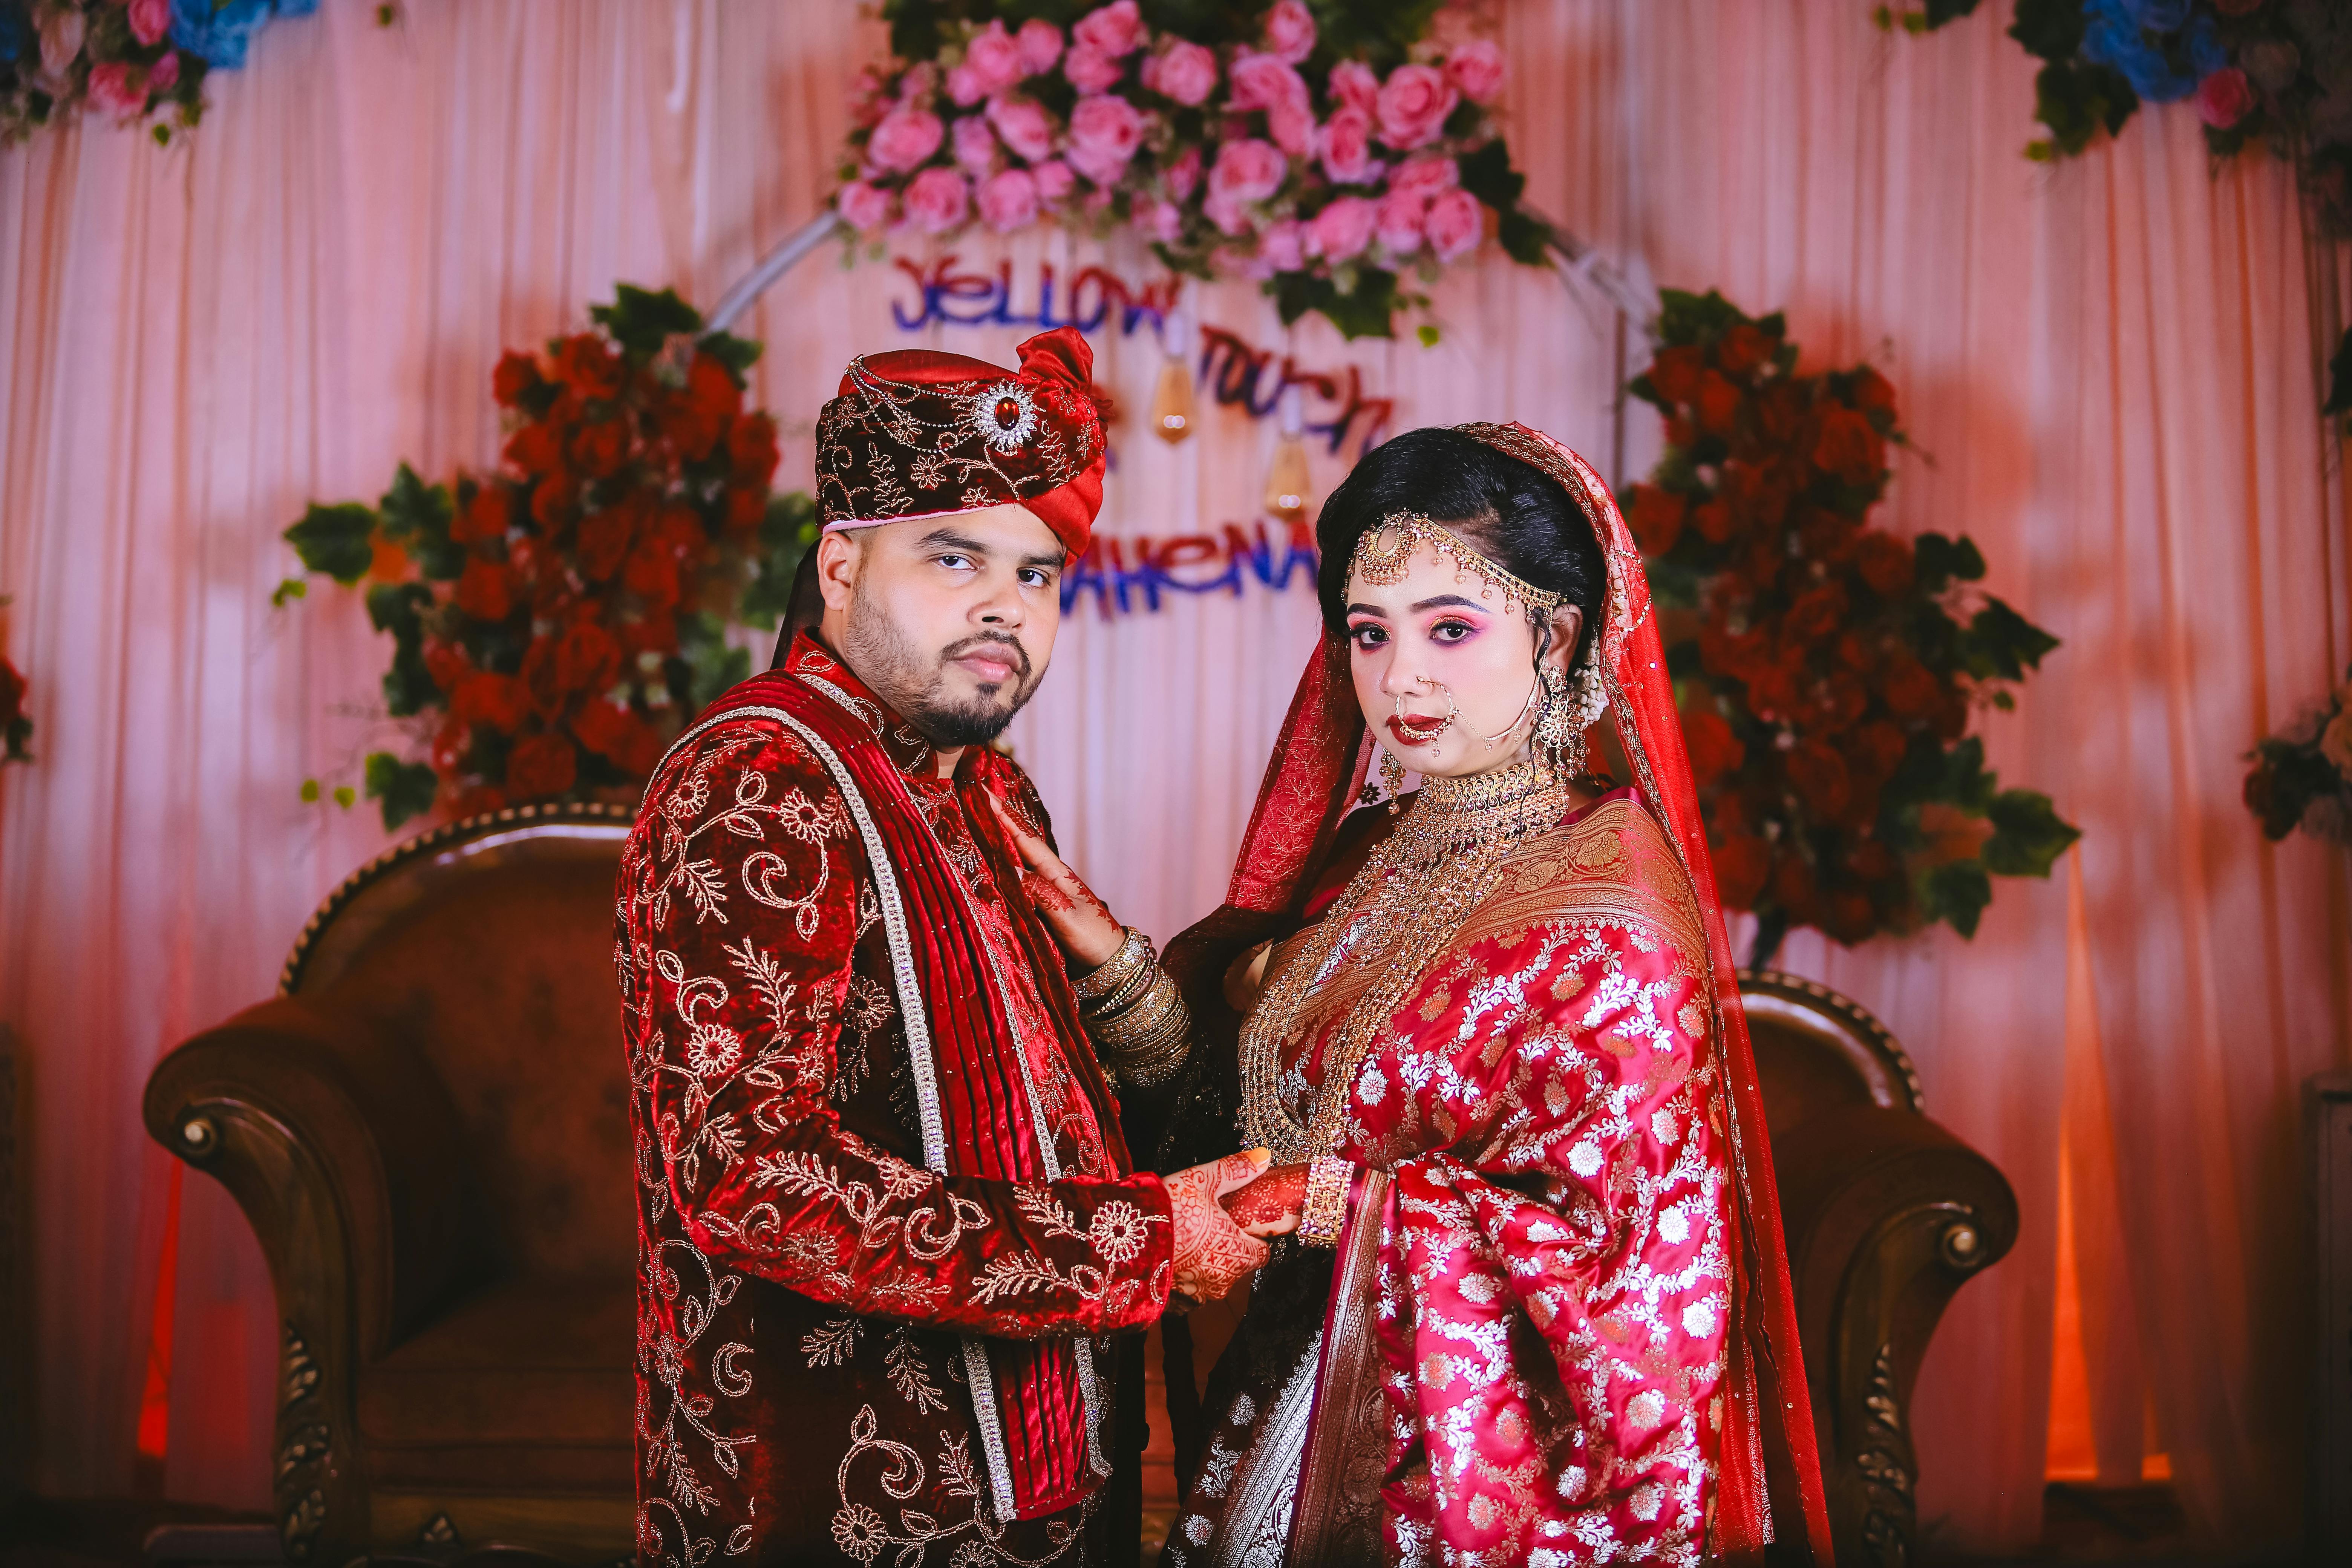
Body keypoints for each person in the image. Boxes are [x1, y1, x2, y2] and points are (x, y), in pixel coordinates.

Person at [1000, 424, 1834, 1565]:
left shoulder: (1615, 912)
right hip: (1291, 1403)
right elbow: (1241, 1104)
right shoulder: (1378, 849)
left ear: (1559, 636)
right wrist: (1117, 971)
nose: (1401, 679)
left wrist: (1328, 1202)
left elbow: (1630, 1289)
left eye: (1452, 628)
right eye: (1368, 633)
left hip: (1451, 1479)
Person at [617, 326, 1295, 1568]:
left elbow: (1058, 1111)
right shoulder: (758, 783)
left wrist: (1118, 982)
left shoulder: (983, 790)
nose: (1005, 604)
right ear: (839, 565)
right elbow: (753, 1180)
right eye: (954, 556)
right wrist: (1140, 1245)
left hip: (1050, 1476)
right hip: (844, 1505)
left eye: (1038, 575)